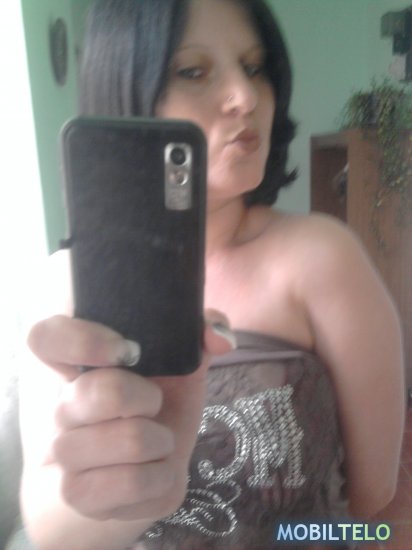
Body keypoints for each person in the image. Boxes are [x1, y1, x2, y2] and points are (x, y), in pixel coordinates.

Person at [19, 0, 405, 549]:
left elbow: (370, 498)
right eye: (193, 71)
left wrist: (288, 536)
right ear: (125, 88)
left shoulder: (323, 258)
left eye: (254, 67)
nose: (245, 96)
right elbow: (52, 532)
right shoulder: (62, 288)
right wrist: (136, 493)